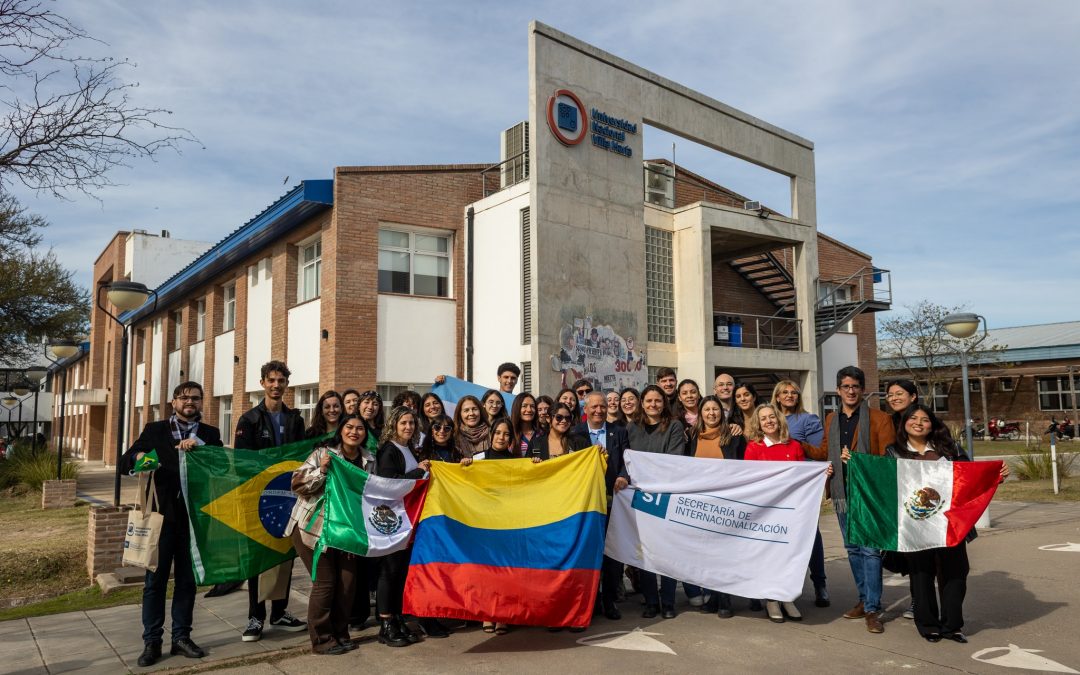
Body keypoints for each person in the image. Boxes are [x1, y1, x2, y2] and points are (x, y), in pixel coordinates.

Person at [877, 404, 1008, 644]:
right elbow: (882, 484)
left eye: (925, 419)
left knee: (955, 573)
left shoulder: (949, 449)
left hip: (950, 524)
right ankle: (928, 625)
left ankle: (952, 626)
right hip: (914, 526)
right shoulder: (893, 452)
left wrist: (995, 476)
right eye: (913, 418)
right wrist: (852, 463)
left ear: (932, 425)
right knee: (921, 575)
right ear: (904, 423)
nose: (918, 423)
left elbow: (970, 478)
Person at [122, 382, 221, 667]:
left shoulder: (210, 434)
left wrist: (200, 448)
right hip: (161, 518)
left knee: (187, 582)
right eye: (184, 397)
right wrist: (142, 458)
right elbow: (126, 461)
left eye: (195, 398)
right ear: (173, 402)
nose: (190, 402)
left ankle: (181, 638)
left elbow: (222, 467)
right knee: (155, 583)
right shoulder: (155, 430)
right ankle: (152, 641)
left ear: (201, 402)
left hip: (194, 520)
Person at [807, 366, 896, 634]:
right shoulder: (832, 419)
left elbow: (889, 460)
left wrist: (857, 461)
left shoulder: (880, 419)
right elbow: (825, 451)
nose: (851, 391)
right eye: (846, 386)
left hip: (868, 494)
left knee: (870, 550)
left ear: (863, 390)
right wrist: (795, 444)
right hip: (842, 492)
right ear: (838, 390)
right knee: (853, 548)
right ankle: (864, 599)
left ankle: (872, 608)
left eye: (855, 386)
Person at [234, 360, 307, 641]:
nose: (276, 385)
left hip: (287, 498)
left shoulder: (295, 419)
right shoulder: (249, 419)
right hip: (259, 498)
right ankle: (255, 617)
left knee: (284, 554)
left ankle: (279, 612)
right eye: (272, 380)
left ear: (287, 385)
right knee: (259, 557)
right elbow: (242, 462)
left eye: (281, 381)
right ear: (262, 383)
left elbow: (300, 457)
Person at [287, 414, 371, 655]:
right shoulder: (322, 454)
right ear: (341, 430)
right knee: (325, 583)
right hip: (313, 529)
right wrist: (322, 470)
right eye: (349, 427)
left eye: (360, 428)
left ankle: (340, 633)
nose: (354, 432)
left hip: (347, 532)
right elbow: (297, 484)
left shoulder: (369, 461)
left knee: (347, 583)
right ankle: (322, 639)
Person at [745, 403, 827, 624]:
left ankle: (788, 597)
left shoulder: (795, 446)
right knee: (770, 556)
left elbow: (804, 478)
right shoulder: (754, 448)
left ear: (779, 419)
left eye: (772, 416)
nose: (769, 421)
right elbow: (750, 481)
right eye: (763, 418)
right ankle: (771, 599)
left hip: (792, 511)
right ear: (758, 424)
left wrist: (822, 472)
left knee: (790, 556)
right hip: (767, 512)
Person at [684, 394, 746, 618]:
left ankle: (725, 598)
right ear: (700, 413)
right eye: (707, 409)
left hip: (726, 502)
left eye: (715, 409)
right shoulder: (691, 437)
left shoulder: (734, 436)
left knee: (724, 553)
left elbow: (745, 467)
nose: (711, 413)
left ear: (722, 412)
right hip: (701, 503)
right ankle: (712, 596)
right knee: (707, 553)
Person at [626, 384, 685, 618]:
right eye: (649, 401)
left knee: (668, 550)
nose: (653, 404)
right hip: (641, 495)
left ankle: (668, 601)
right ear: (642, 403)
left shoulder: (674, 426)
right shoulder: (632, 427)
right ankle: (651, 601)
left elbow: (673, 460)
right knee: (646, 551)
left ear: (664, 403)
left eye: (658, 400)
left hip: (667, 494)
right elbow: (628, 460)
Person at [375, 407, 432, 647]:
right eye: (403, 423)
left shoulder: (408, 448)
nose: (408, 427)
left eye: (412, 423)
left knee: (400, 572)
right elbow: (389, 484)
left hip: (406, 521)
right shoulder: (389, 450)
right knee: (389, 571)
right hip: (392, 521)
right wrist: (419, 471)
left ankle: (397, 618)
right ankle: (385, 623)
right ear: (394, 425)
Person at [770, 379, 829, 609]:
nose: (789, 395)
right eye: (784, 392)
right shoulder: (769, 418)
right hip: (775, 490)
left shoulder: (807, 419)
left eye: (793, 392)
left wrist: (794, 444)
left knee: (810, 535)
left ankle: (820, 583)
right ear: (777, 396)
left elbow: (819, 453)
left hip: (800, 488)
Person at [574, 392, 630, 621]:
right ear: (585, 409)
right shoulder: (576, 433)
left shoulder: (619, 432)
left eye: (603, 406)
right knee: (588, 552)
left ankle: (609, 601)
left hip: (612, 501)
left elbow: (627, 460)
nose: (599, 410)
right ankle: (591, 601)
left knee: (612, 555)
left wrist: (623, 476)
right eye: (594, 406)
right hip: (585, 503)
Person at [510, 392, 542, 457]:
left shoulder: (541, 434)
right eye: (524, 406)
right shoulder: (509, 434)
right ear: (517, 408)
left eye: (532, 406)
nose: (529, 410)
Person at [357, 390, 384, 455]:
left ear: (379, 409)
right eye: (366, 402)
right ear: (359, 406)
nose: (370, 407)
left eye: (375, 404)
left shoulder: (385, 430)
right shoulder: (353, 427)